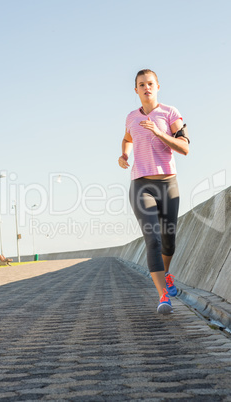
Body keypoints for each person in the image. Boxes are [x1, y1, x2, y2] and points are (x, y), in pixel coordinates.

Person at [118, 69, 189, 314]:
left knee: (169, 240)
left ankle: (166, 275)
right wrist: (125, 153)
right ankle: (163, 296)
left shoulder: (171, 113)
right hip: (141, 185)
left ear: (157, 86)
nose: (146, 87)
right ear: (136, 90)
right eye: (141, 84)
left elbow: (184, 148)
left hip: (168, 184)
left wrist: (159, 133)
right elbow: (128, 137)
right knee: (153, 238)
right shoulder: (131, 117)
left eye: (150, 83)